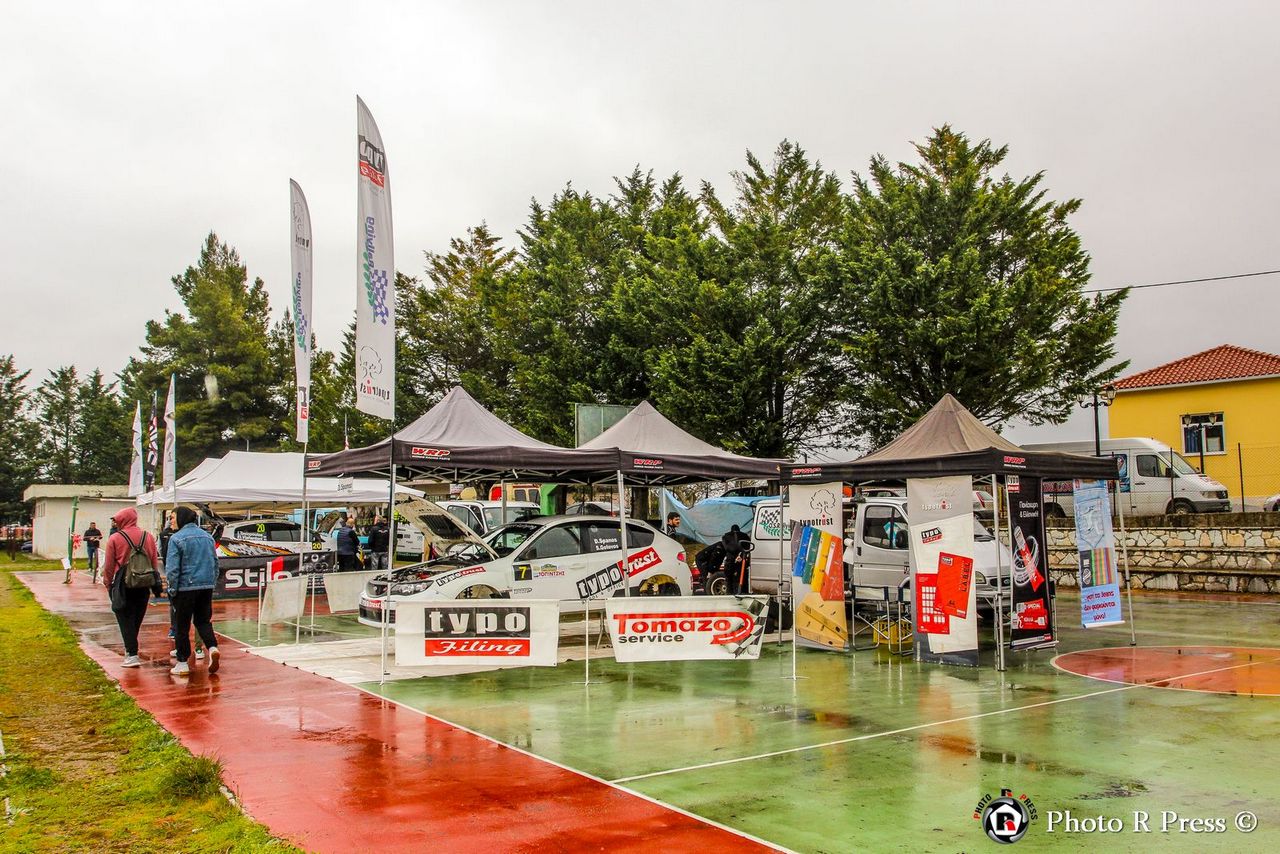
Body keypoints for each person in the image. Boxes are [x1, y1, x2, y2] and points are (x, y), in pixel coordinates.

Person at [100, 507, 161, 667]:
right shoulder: (148, 536)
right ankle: (131, 649)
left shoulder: (115, 538)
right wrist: (154, 581)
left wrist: (108, 583)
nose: (115, 523)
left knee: (124, 616)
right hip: (144, 582)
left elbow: (109, 565)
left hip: (123, 583)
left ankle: (132, 654)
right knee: (136, 617)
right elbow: (154, 561)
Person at [166, 506, 220, 677]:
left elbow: (172, 569)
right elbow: (215, 562)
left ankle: (182, 662)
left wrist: (172, 589)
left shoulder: (176, 539)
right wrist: (211, 582)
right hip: (205, 586)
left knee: (181, 625)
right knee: (203, 621)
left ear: (181, 518)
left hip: (185, 587)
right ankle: (212, 647)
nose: (170, 521)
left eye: (172, 517)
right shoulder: (208, 537)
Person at [721, 524, 752, 596]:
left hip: (730, 559)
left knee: (729, 579)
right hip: (742, 559)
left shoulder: (726, 536)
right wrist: (740, 555)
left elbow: (726, 548)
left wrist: (733, 556)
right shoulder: (744, 536)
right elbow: (748, 547)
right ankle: (742, 592)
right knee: (742, 578)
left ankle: (729, 594)